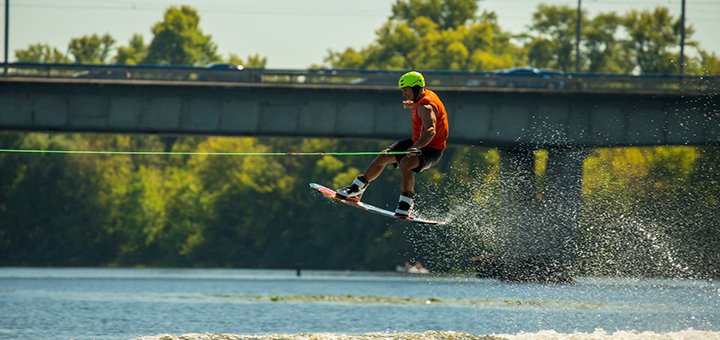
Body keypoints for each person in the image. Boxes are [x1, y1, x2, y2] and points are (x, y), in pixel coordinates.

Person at [335, 71, 449, 218]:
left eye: (406, 90)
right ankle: (357, 188)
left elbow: (431, 131)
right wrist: (413, 104)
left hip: (431, 149)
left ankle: (406, 204)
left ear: (415, 88)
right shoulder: (421, 97)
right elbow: (423, 106)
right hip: (417, 142)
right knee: (384, 156)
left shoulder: (426, 106)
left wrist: (416, 147)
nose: (404, 94)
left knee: (406, 164)